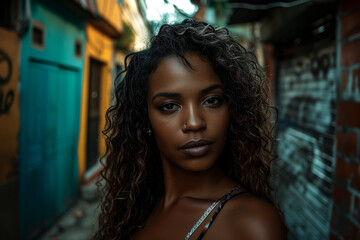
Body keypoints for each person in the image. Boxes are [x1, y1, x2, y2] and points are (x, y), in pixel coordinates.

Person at [94, 20, 287, 240]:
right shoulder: (135, 208)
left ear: (233, 109)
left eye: (212, 100)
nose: (195, 123)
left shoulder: (252, 226)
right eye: (169, 106)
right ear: (145, 120)